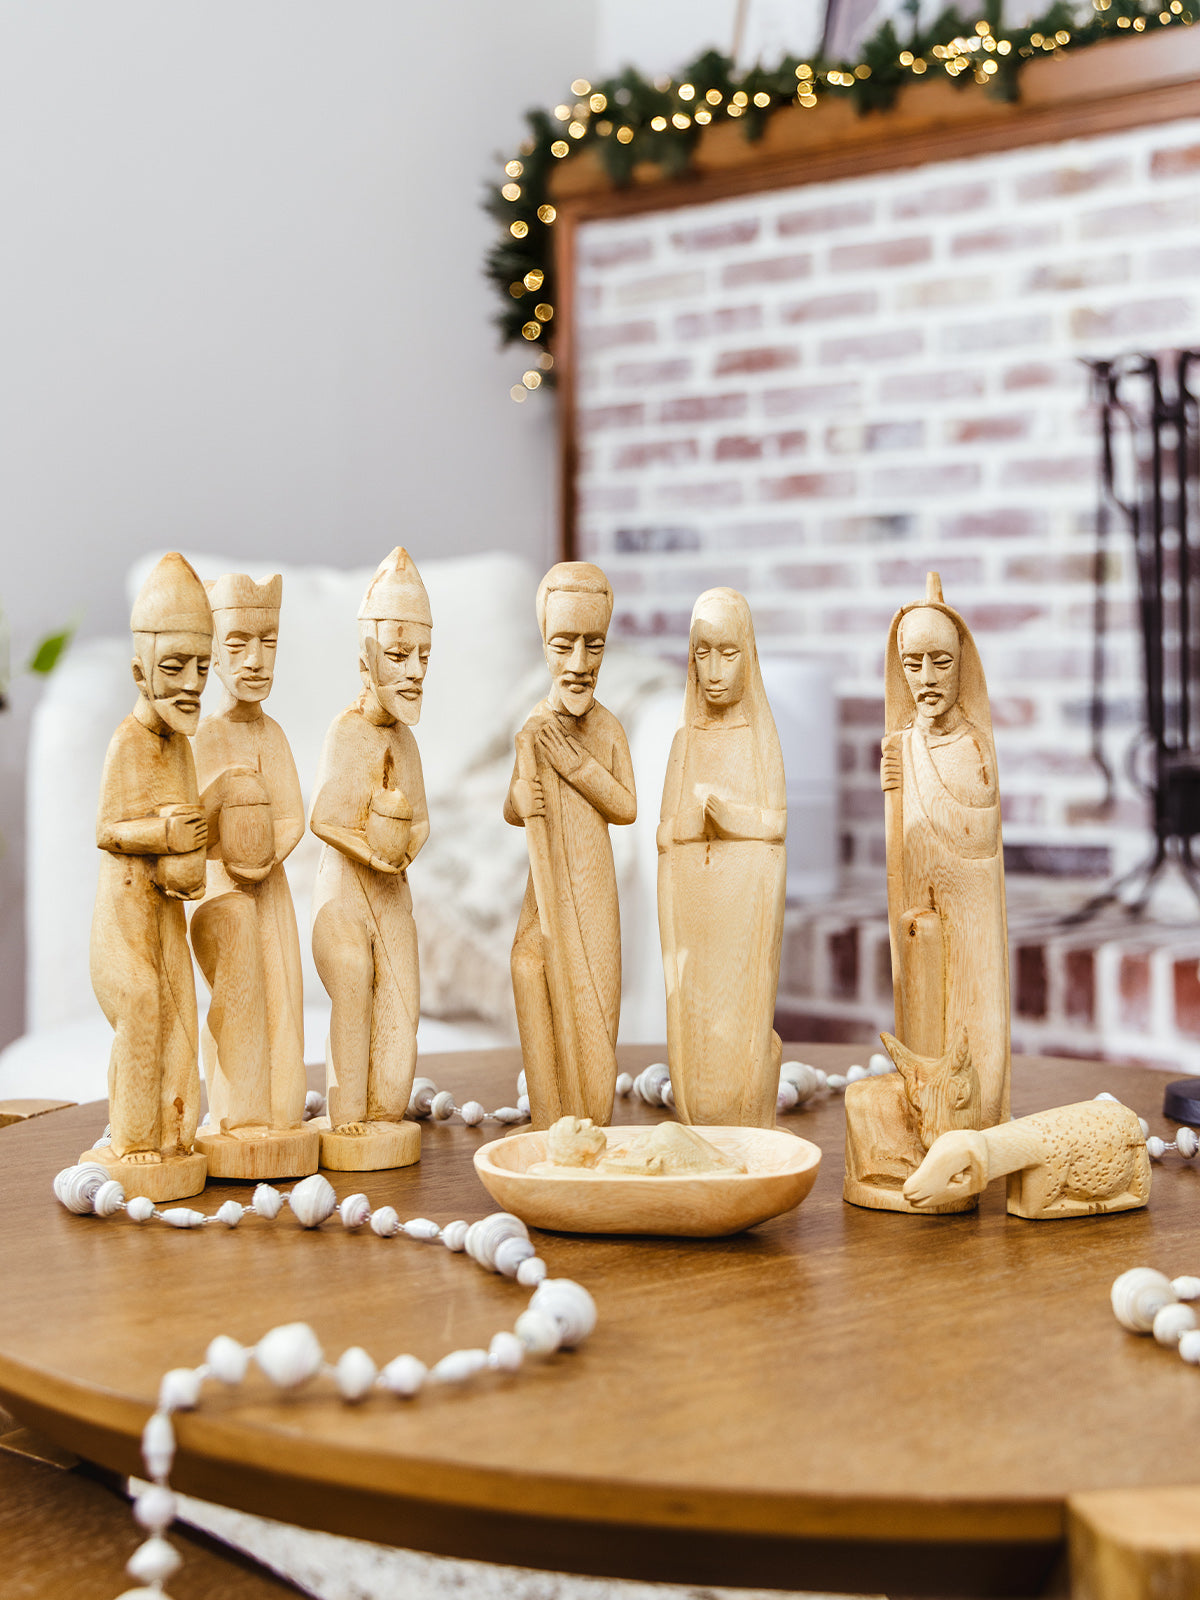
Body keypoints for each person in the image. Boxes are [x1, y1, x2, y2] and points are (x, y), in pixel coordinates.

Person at [90, 552, 211, 1169]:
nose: (192, 683)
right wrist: (165, 833)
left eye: (202, 668)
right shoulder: (127, 743)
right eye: (174, 668)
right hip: (122, 924)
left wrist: (195, 848)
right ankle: (134, 1143)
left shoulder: (184, 749)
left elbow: (189, 837)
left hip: (163, 917)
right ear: (141, 674)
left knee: (180, 1018)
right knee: (141, 1004)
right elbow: (108, 830)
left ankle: (173, 1134)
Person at [505, 562, 635, 1128]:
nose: (579, 665)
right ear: (544, 646)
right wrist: (520, 796)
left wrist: (575, 765)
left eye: (594, 647)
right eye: (564, 646)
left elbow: (625, 806)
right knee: (528, 965)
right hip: (547, 881)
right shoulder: (535, 724)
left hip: (590, 884)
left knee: (592, 1001)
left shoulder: (605, 727)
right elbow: (513, 806)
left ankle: (591, 1116)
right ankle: (550, 1114)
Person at [309, 547, 430, 1153]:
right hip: (344, 899)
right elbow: (323, 818)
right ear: (366, 660)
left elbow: (424, 819)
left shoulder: (405, 741)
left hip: (393, 892)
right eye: (399, 655)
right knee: (354, 981)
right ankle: (346, 1115)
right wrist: (372, 850)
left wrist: (405, 846)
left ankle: (383, 1110)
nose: (413, 671)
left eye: (423, 657)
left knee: (404, 1010)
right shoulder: (346, 732)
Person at [881, 572, 1010, 1128]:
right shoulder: (902, 744)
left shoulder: (975, 749)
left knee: (970, 1038)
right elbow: (904, 850)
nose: (927, 679)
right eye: (913, 664)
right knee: (921, 1032)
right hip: (921, 931)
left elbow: (977, 842)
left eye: (941, 661)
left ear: (963, 665)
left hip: (968, 930)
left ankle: (974, 1123)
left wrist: (922, 803)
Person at [657, 588, 786, 1127]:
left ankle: (744, 1112)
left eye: (727, 652)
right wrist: (693, 824)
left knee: (741, 1015)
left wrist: (731, 820)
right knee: (693, 1011)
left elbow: (776, 824)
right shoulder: (685, 742)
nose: (712, 669)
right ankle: (696, 1111)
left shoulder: (759, 741)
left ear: (748, 655)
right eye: (701, 652)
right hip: (694, 909)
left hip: (743, 908)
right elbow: (666, 833)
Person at [191, 573, 307, 1141]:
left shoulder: (275, 735)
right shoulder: (202, 738)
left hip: (271, 892)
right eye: (238, 644)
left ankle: (282, 1111)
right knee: (235, 1001)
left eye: (270, 643)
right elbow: (192, 825)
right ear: (211, 651)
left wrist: (262, 857)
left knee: (282, 995)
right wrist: (230, 850)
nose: (256, 660)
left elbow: (293, 816)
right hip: (223, 892)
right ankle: (237, 1114)